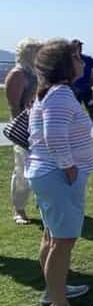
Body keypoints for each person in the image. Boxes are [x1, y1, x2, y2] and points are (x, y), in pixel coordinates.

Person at [26, 39, 93, 306]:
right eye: (77, 58)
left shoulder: (51, 93)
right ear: (65, 65)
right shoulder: (60, 94)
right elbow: (54, 135)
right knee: (63, 240)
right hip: (57, 176)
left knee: (52, 236)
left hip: (48, 175)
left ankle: (53, 290)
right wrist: (69, 168)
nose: (83, 63)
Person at [5, 38, 42, 224]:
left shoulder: (37, 72)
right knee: (22, 169)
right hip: (24, 128)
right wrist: (25, 129)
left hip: (39, 126)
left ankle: (43, 204)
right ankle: (19, 209)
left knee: (42, 167)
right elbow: (14, 106)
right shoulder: (18, 74)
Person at [70, 39, 93, 140]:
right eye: (77, 46)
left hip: (86, 90)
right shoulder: (69, 61)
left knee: (91, 109)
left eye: (80, 46)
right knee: (73, 111)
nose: (79, 48)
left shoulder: (87, 59)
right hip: (75, 90)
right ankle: (73, 131)